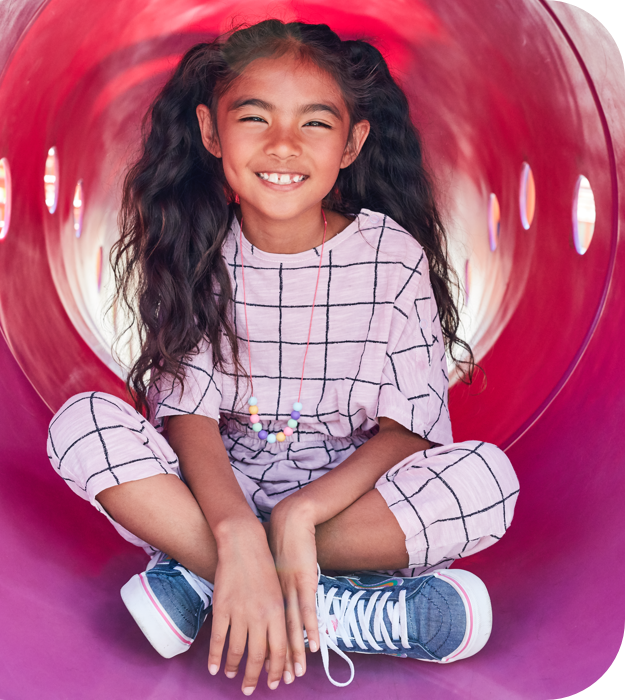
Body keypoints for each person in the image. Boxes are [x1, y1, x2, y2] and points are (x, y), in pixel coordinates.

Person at [47, 19, 519, 694]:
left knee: (489, 482)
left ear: (353, 142)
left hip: (347, 506)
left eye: (315, 124)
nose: (283, 146)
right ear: (212, 133)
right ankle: (318, 604)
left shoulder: (390, 258)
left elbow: (409, 432)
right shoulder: (197, 248)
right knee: (81, 424)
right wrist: (236, 527)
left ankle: (205, 578)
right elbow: (188, 419)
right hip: (216, 491)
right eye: (255, 117)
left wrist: (300, 516)